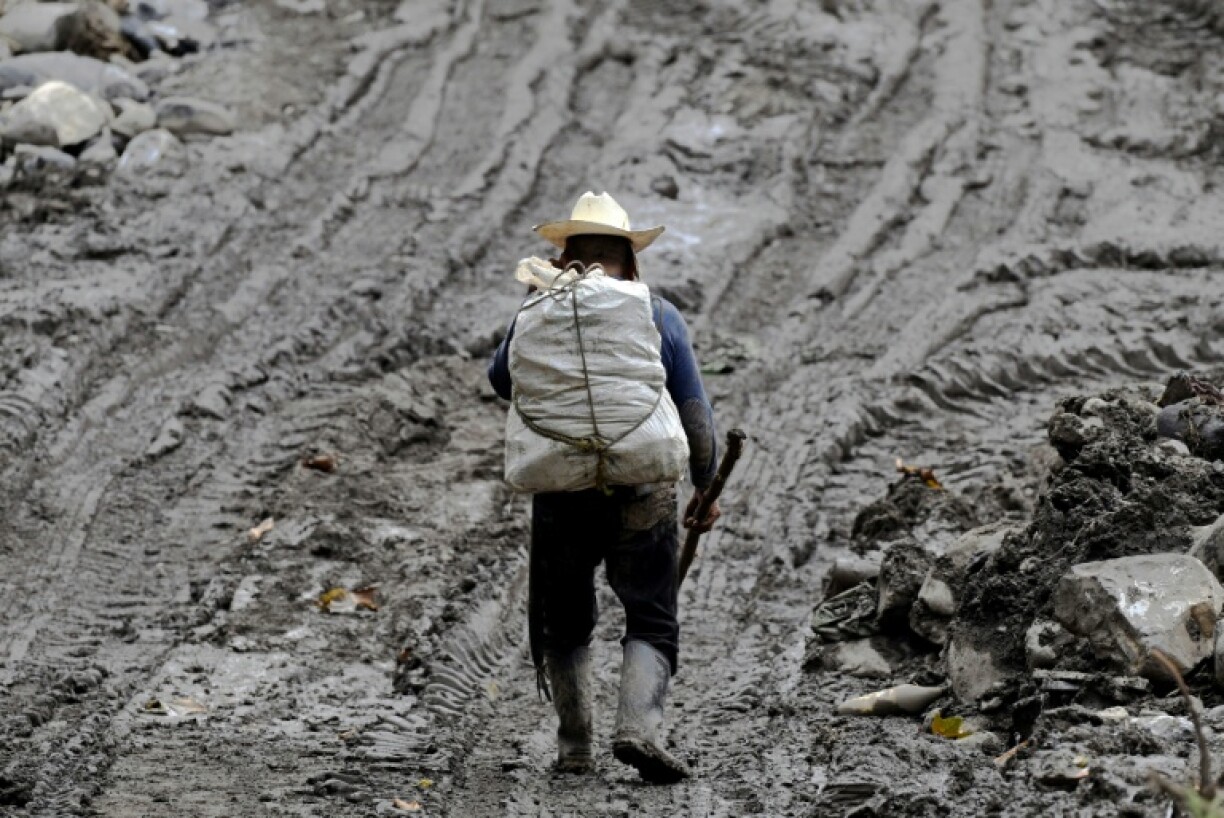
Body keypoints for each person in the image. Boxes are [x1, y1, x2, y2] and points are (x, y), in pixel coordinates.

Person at [488, 192, 721, 783]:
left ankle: (574, 746)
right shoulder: (657, 313)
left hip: (562, 492)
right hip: (642, 490)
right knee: (650, 616)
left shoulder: (536, 309)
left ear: (565, 257)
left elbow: (499, 378)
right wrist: (705, 486)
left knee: (565, 621)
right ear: (631, 261)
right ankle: (638, 730)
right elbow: (695, 415)